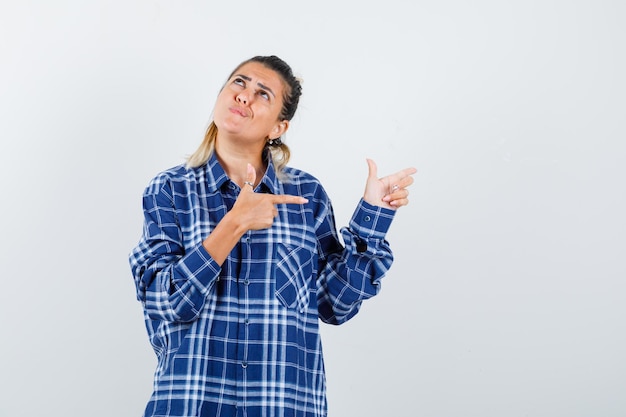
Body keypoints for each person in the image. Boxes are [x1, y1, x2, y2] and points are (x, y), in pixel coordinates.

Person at [129, 55, 416, 417]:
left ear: (279, 127)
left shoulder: (305, 195)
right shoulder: (170, 190)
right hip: (191, 403)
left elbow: (334, 304)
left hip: (282, 406)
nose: (244, 96)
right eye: (239, 83)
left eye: (262, 93)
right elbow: (165, 302)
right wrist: (234, 223)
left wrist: (374, 214)